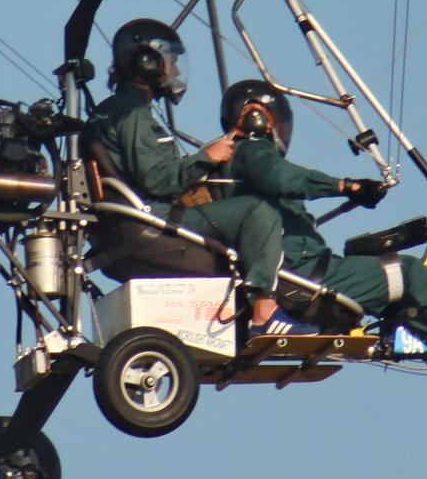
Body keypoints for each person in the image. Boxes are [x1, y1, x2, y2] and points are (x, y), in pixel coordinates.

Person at [217, 78, 427, 378]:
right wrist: (346, 186)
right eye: (274, 120)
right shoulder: (252, 151)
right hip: (304, 277)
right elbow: (283, 177)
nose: (276, 129)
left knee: (392, 282)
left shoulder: (231, 162)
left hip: (295, 273)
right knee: (406, 274)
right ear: (255, 116)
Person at [85, 20, 287, 319]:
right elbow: (159, 179)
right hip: (151, 223)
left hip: (122, 228)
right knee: (259, 213)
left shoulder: (110, 111)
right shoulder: (131, 113)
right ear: (148, 61)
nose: (176, 71)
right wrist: (207, 157)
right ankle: (265, 313)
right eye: (172, 61)